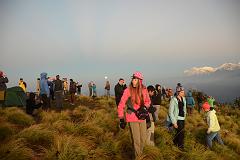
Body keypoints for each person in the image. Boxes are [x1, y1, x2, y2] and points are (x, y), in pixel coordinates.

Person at [118, 72, 151, 158]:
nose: (133, 80)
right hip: (132, 117)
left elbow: (148, 101)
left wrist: (144, 107)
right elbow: (121, 104)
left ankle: (142, 155)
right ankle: (138, 157)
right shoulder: (127, 90)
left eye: (135, 79)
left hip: (142, 117)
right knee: (136, 140)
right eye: (133, 78)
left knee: (143, 139)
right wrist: (121, 118)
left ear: (140, 81)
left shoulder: (144, 89)